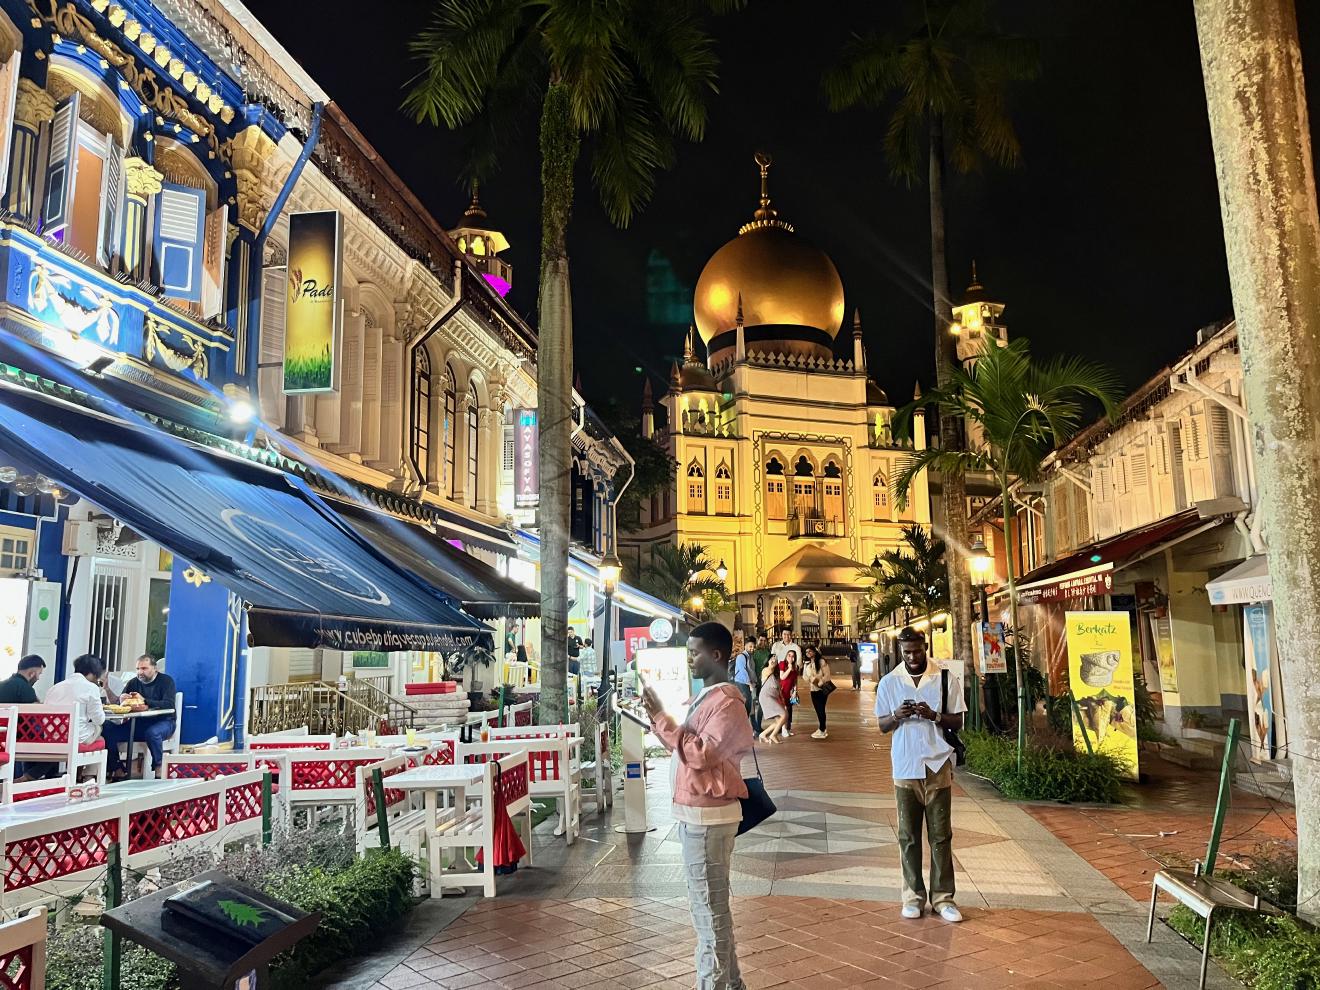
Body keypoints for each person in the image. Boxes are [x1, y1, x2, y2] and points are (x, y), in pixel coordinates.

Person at [641, 621, 753, 990]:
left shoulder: (728, 702)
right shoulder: (708, 697)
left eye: (694, 652)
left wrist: (662, 718)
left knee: (709, 914)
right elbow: (687, 746)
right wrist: (659, 719)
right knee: (711, 910)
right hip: (698, 813)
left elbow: (701, 753)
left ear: (716, 655)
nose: (689, 659)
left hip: (709, 817)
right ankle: (731, 984)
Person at [875, 627, 966, 923]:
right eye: (907, 652)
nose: (912, 657)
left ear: (925, 646)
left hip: (937, 764)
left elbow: (959, 720)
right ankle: (913, 896)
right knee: (908, 836)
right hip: (904, 765)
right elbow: (882, 725)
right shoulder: (890, 682)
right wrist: (897, 716)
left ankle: (943, 898)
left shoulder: (943, 678)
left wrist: (934, 715)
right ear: (900, 651)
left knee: (941, 835)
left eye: (916, 650)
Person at [103, 654, 177, 779]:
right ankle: (117, 768)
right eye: (138, 669)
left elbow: (169, 704)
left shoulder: (166, 681)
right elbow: (119, 704)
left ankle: (159, 766)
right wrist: (120, 698)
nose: (140, 672)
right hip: (137, 724)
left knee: (152, 733)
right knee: (107, 728)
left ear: (155, 669)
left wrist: (145, 700)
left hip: (164, 722)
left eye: (144, 668)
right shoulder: (133, 682)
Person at [43, 654, 106, 781]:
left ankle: (77, 776)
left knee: (84, 729)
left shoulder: (55, 687)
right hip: (75, 739)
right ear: (94, 673)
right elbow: (99, 719)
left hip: (51, 736)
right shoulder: (91, 687)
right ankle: (89, 777)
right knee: (98, 731)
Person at [730, 636, 758, 732]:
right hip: (742, 683)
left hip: (749, 684)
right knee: (747, 705)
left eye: (753, 647)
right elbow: (743, 671)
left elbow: (752, 671)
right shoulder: (741, 656)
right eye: (750, 646)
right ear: (745, 646)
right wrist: (749, 684)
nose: (752, 648)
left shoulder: (750, 656)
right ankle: (742, 727)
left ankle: (753, 727)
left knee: (751, 705)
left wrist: (754, 682)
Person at [803, 646, 832, 739]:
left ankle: (822, 729)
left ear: (815, 652)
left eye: (810, 651)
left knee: (821, 710)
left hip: (822, 689)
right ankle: (823, 728)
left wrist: (819, 682)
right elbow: (805, 677)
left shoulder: (821, 661)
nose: (808, 653)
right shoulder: (807, 664)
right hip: (813, 689)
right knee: (819, 710)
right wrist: (809, 678)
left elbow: (827, 675)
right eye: (806, 652)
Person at [756, 659, 786, 744]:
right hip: (766, 696)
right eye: (771, 659)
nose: (773, 661)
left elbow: (779, 688)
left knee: (780, 720)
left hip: (773, 697)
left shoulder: (776, 674)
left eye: (775, 660)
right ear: (768, 661)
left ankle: (763, 734)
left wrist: (782, 698)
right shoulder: (766, 670)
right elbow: (771, 669)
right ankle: (773, 735)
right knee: (784, 715)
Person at [777, 646, 801, 737]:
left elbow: (795, 681)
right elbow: (782, 677)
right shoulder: (782, 664)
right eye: (789, 655)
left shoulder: (796, 667)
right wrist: (789, 668)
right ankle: (783, 729)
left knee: (789, 710)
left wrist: (795, 691)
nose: (791, 657)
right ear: (786, 656)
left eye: (793, 656)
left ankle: (788, 728)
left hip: (790, 692)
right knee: (784, 711)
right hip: (782, 691)